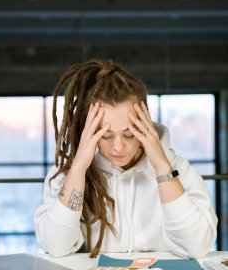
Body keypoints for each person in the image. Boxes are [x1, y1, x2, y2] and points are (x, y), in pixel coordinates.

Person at [34, 59, 217, 258]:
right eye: (105, 135)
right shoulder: (68, 176)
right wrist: (78, 170)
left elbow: (196, 246)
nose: (118, 147)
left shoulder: (177, 168)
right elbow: (56, 247)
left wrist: (162, 167)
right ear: (90, 131)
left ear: (145, 125)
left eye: (129, 134)